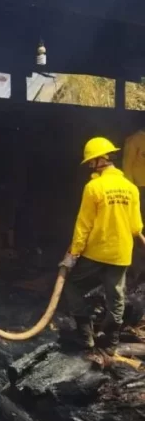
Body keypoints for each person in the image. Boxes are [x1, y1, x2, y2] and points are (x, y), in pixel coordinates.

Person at [62, 137, 143, 349]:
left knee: (73, 285)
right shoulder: (131, 188)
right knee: (116, 296)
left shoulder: (93, 187)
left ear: (102, 160)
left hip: (97, 252)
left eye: (91, 161)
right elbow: (136, 227)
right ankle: (111, 341)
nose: (90, 165)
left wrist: (73, 254)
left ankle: (86, 336)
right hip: (121, 254)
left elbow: (84, 225)